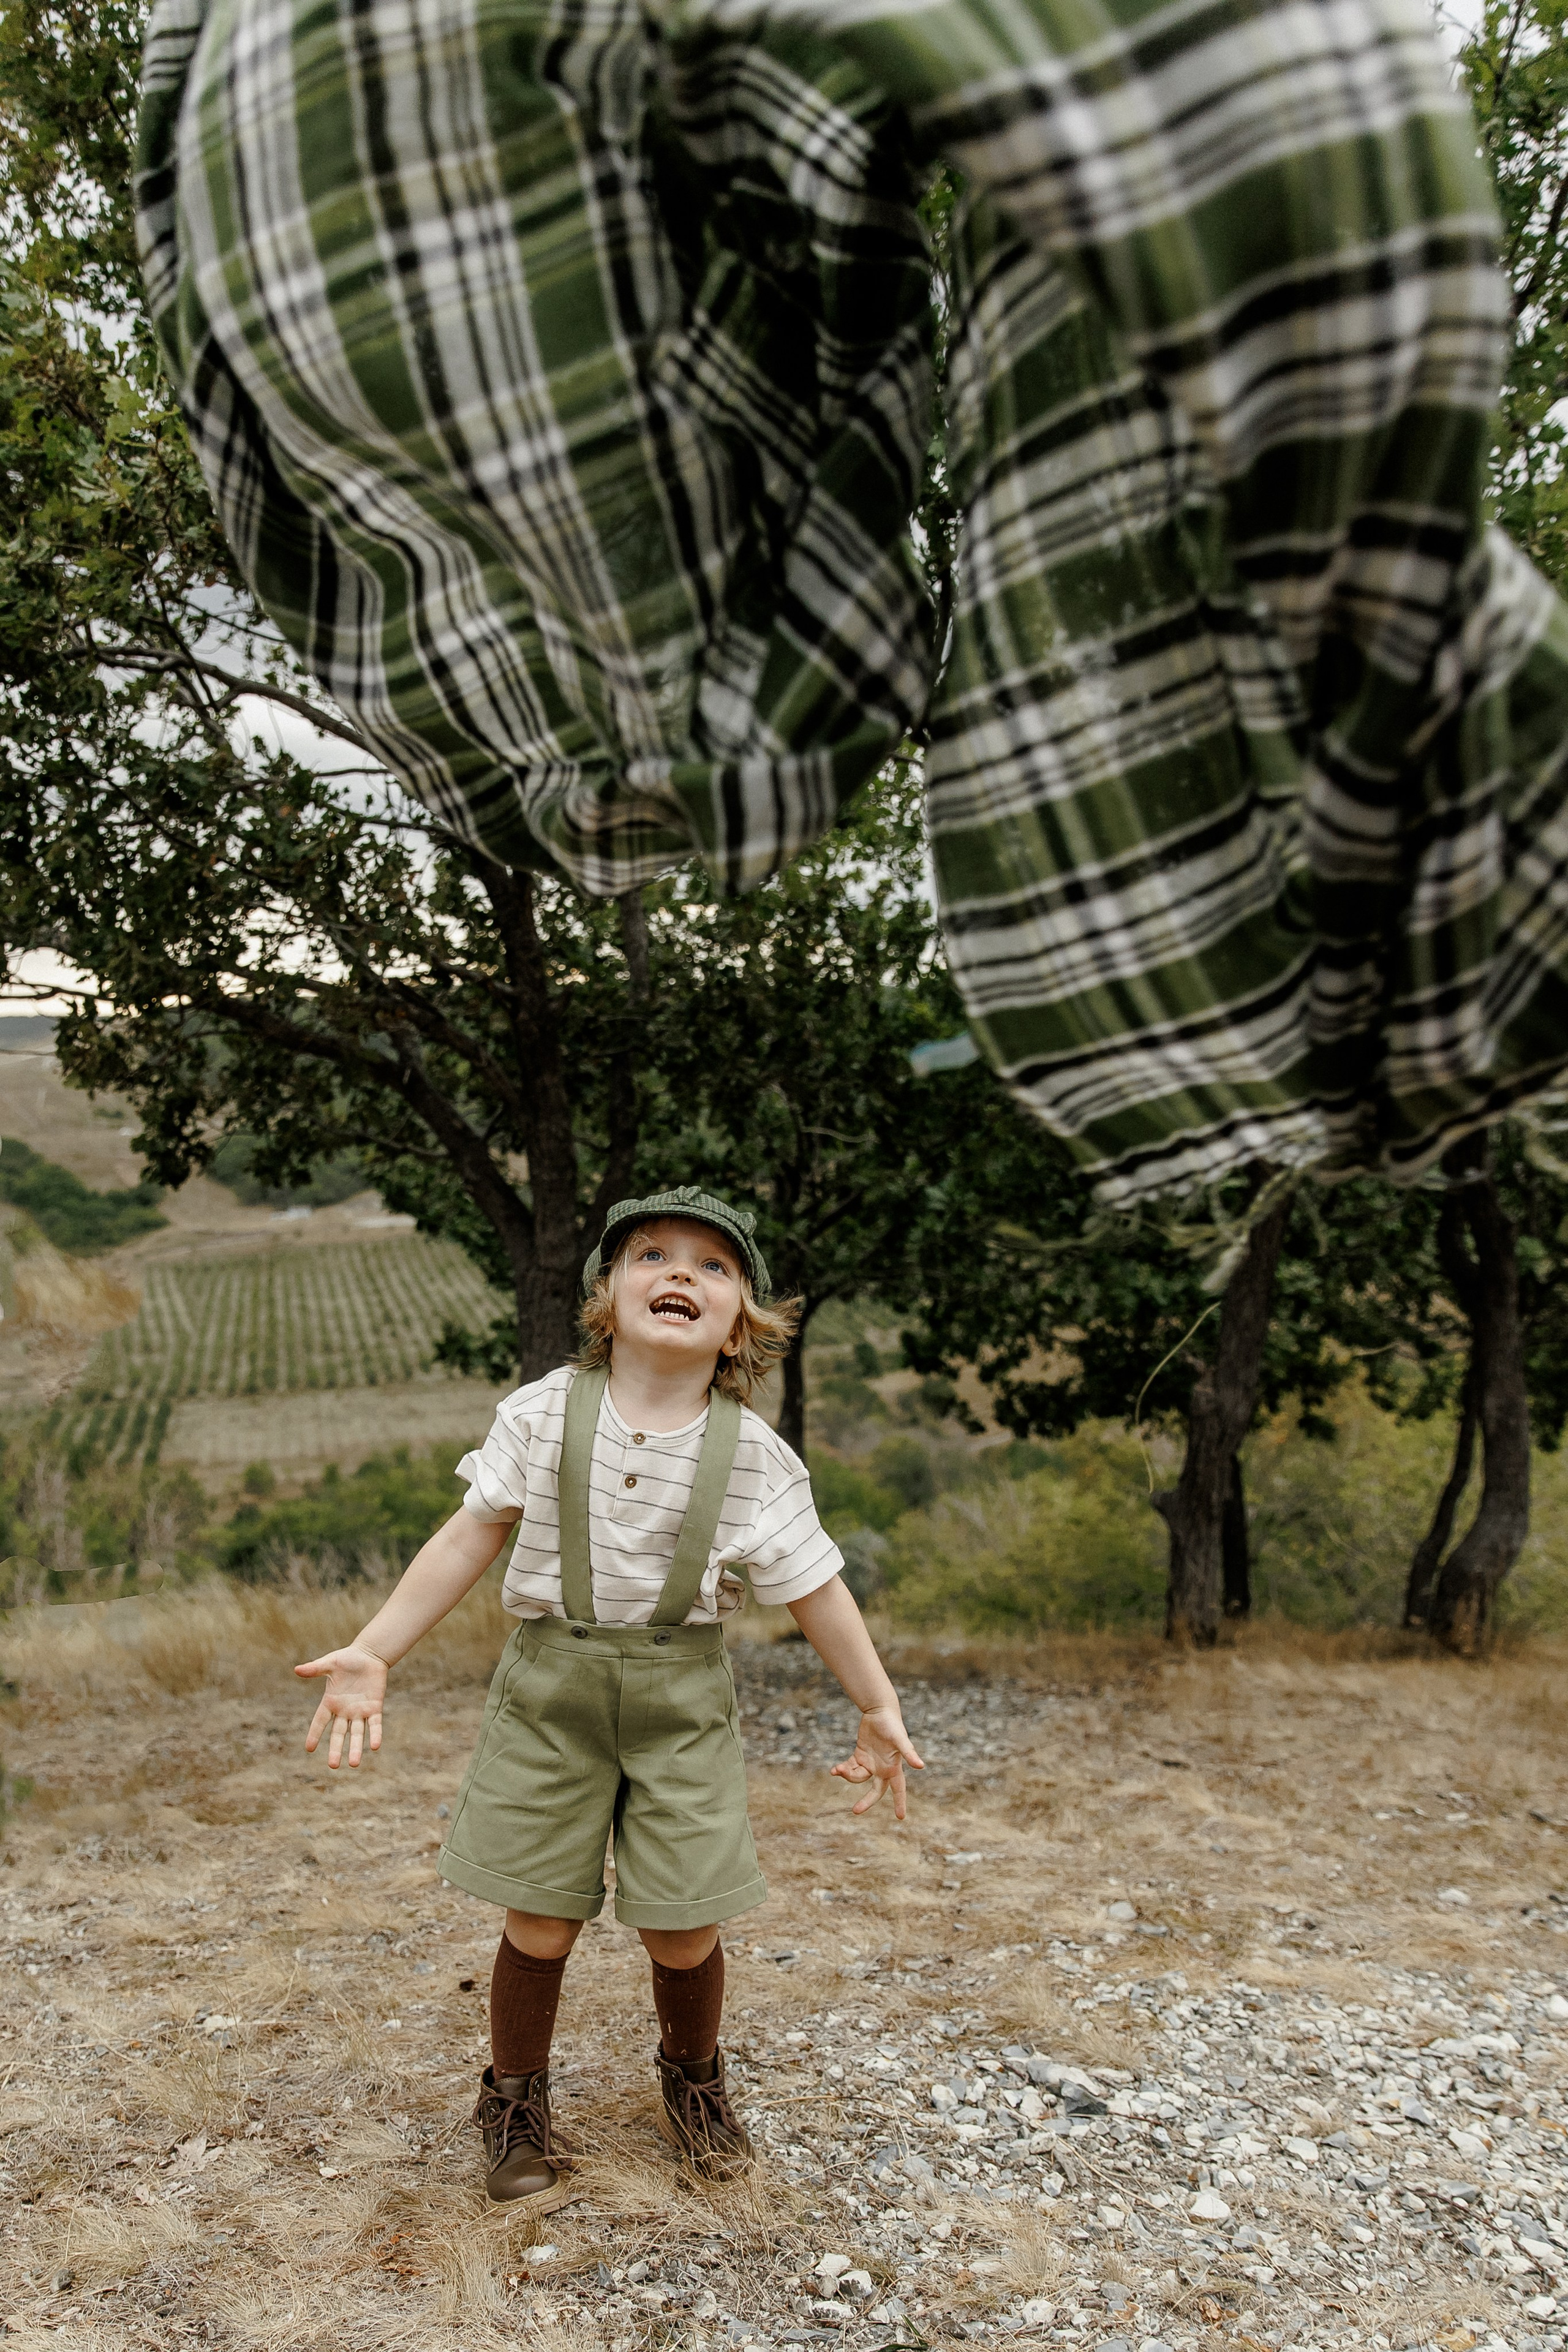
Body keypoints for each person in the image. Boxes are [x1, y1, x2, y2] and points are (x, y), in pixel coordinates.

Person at [294, 1185, 922, 2203]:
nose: (680, 1273)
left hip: (682, 1702)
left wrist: (876, 1701)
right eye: (653, 1255)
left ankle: (695, 2084)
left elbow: (816, 1586)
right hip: (552, 1692)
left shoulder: (757, 1459)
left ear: (738, 1328)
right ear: (607, 1295)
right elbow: (469, 1535)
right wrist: (376, 1649)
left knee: (685, 1920)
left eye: (712, 1267)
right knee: (541, 1914)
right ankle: (515, 2101)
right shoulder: (542, 1413)